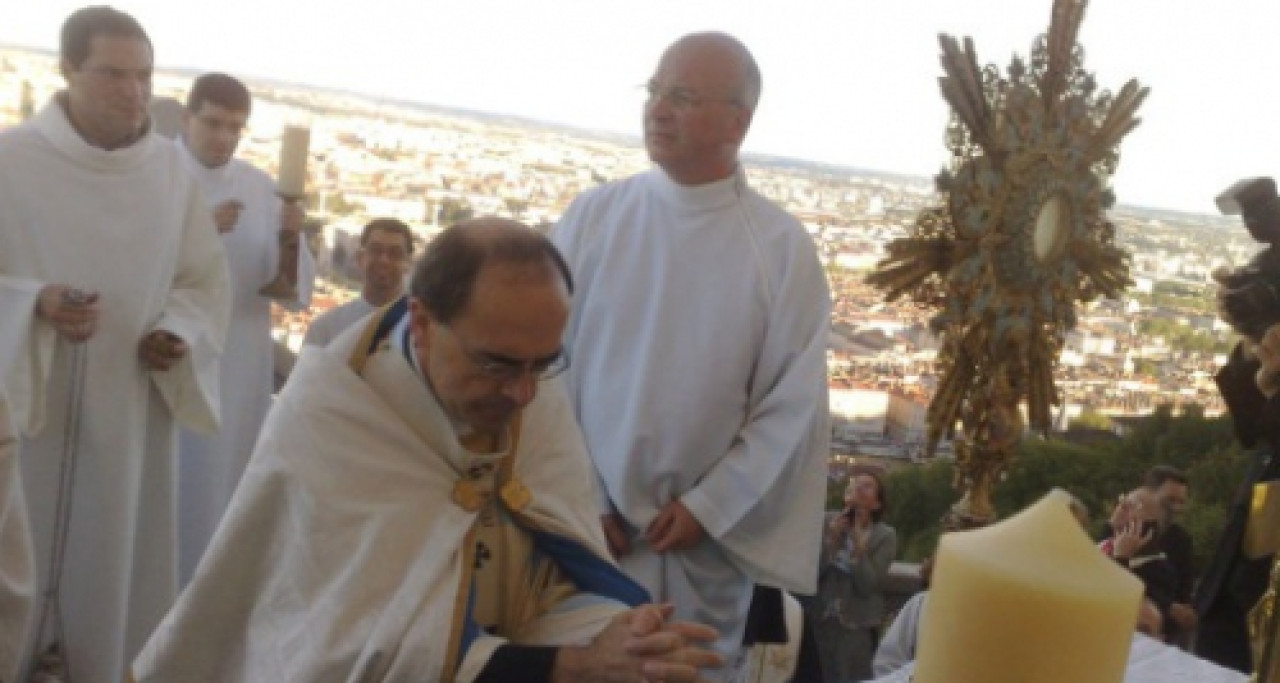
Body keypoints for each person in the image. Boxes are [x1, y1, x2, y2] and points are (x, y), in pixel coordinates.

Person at [133, 219, 723, 682]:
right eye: (497, 365)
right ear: (421, 322)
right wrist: (572, 669)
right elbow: (344, 644)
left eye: (542, 365)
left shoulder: (529, 385)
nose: (523, 393)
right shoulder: (334, 412)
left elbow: (554, 572)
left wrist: (623, 638)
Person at [550, 32, 831, 675]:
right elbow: (546, 368)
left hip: (701, 555)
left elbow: (790, 407)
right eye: (654, 91)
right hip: (592, 542)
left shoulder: (781, 252)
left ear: (739, 120)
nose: (658, 109)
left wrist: (709, 508)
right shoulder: (592, 218)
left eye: (681, 95)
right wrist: (584, 494)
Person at [0, 7, 230, 681]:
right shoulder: (10, 163)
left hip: (128, 413)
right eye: (111, 75)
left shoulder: (170, 176)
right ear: (68, 70)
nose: (134, 93)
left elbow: (201, 285)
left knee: (110, 584)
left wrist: (176, 334)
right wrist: (30, 303)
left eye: (145, 76)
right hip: (24, 419)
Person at [175, 72, 315, 584]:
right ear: (188, 118)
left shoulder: (261, 189)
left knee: (221, 492)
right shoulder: (152, 175)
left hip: (235, 364)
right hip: (168, 363)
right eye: (213, 123)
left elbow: (291, 293)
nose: (224, 137)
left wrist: (290, 240)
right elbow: (127, 265)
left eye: (236, 127)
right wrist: (198, 228)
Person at [813, 471, 897, 682]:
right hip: (820, 620)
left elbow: (869, 585)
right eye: (854, 484)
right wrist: (830, 542)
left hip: (855, 627)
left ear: (877, 503)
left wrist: (858, 551)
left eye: (867, 486)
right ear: (845, 494)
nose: (859, 488)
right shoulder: (826, 522)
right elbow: (809, 574)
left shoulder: (884, 536)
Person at [304, 217, 414, 347]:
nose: (384, 260)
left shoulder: (421, 331)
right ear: (360, 258)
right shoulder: (325, 329)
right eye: (376, 250)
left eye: (395, 253)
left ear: (408, 264)